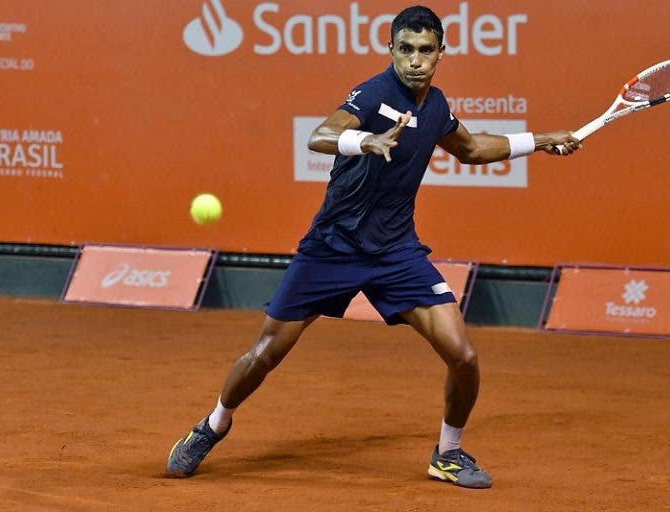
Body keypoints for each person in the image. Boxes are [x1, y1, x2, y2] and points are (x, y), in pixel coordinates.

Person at [167, 5, 580, 489]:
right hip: (332, 247)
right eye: (405, 49)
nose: (415, 60)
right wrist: (364, 142)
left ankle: (448, 453)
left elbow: (471, 150)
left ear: (441, 52)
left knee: (463, 356)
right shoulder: (373, 93)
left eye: (426, 50)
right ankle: (213, 424)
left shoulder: (437, 105)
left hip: (396, 252)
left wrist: (544, 139)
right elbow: (321, 135)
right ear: (391, 49)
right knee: (265, 353)